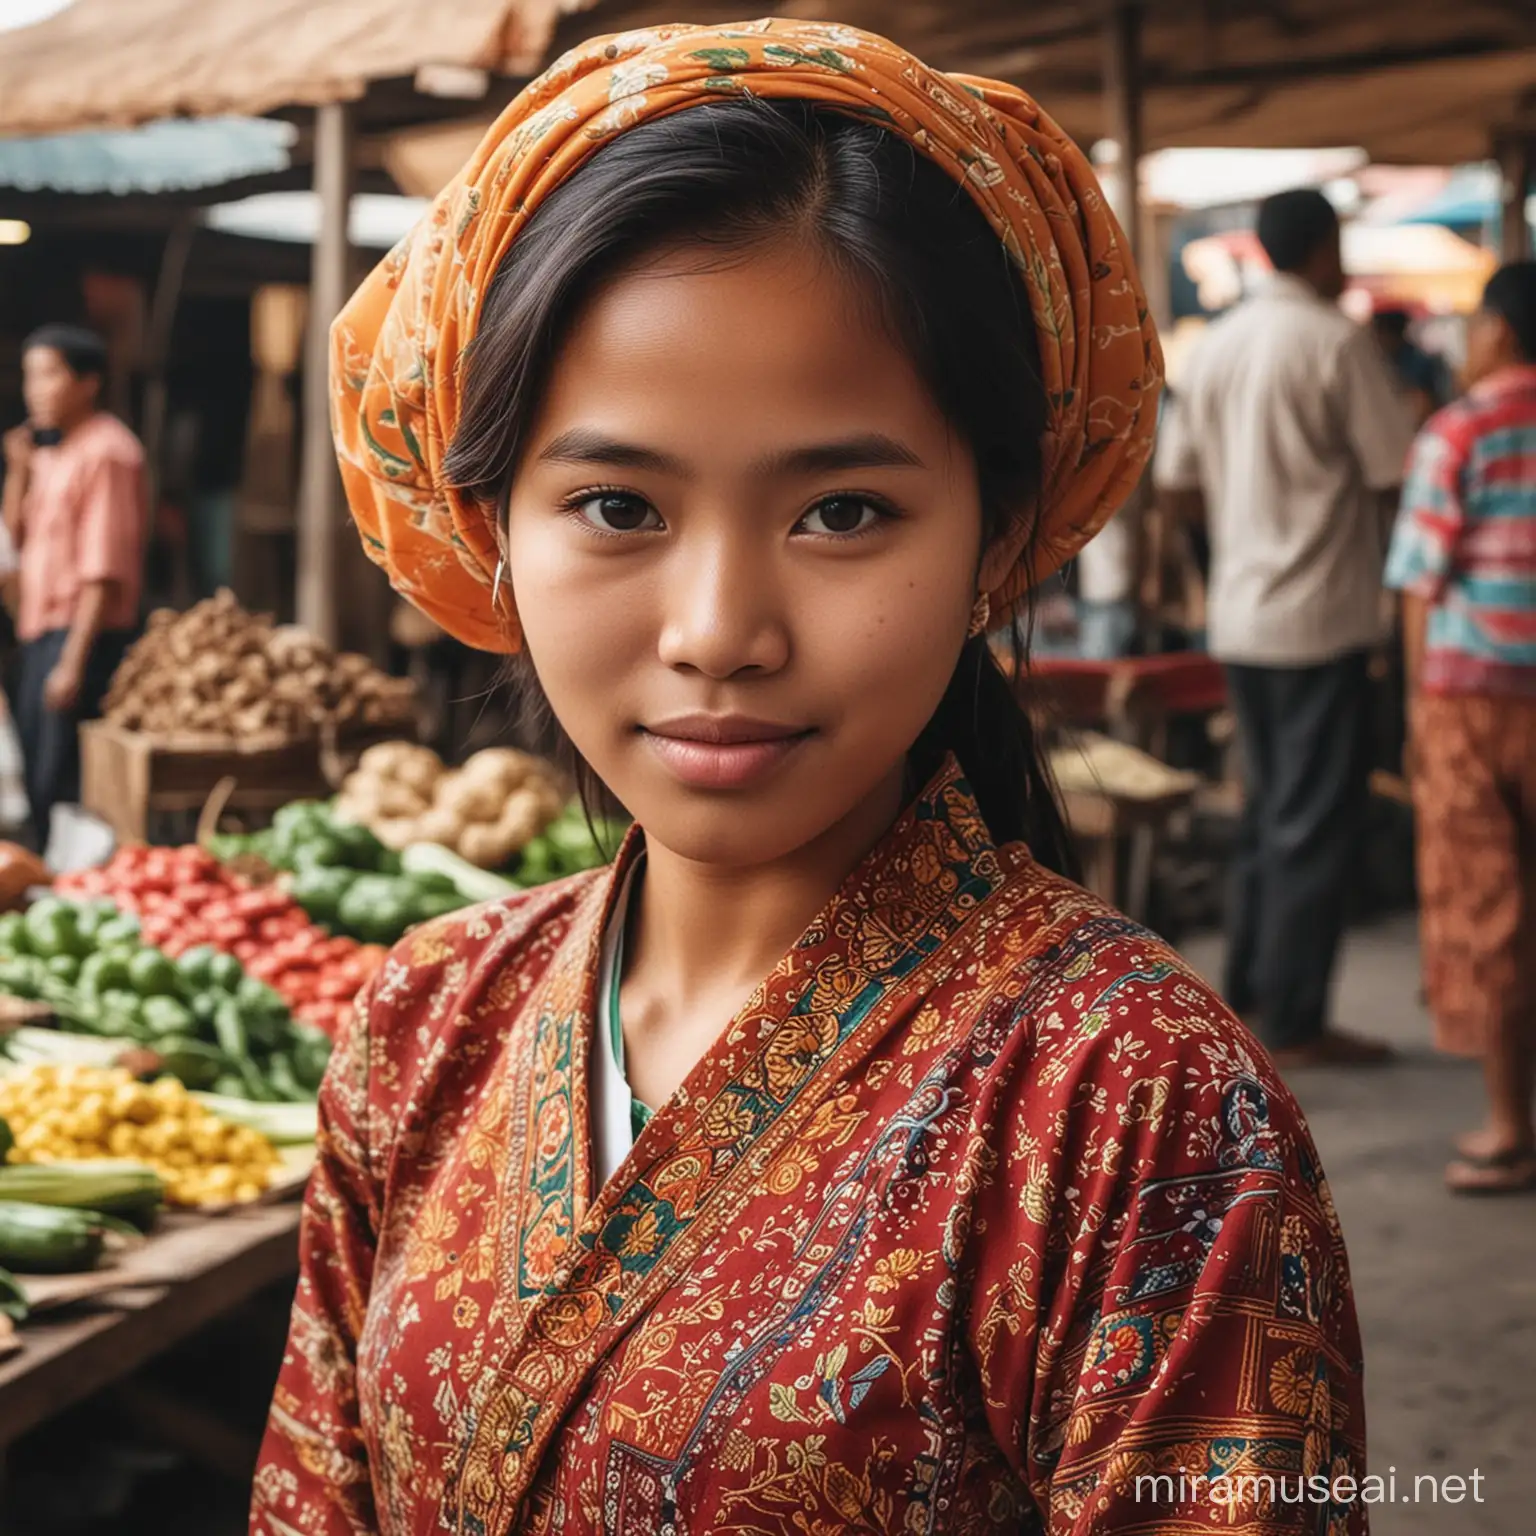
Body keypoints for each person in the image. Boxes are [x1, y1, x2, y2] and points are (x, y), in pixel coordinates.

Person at [252, 26, 1365, 1535]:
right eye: (618, 505)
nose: (720, 633)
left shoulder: (1139, 1108)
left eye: (843, 510)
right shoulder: (425, 1025)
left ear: (996, 535)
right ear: (490, 528)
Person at [1155, 188, 1414, 1067]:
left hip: (1244, 614)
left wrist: (1229, 546)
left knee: (1270, 812)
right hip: (1320, 620)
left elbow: (1179, 482)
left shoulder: (1220, 344)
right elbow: (1392, 476)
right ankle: (1293, 1017)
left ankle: (1254, 999)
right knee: (1310, 821)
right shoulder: (1334, 340)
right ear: (1321, 248)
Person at [1385, 261, 1536, 1195]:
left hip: (1469, 700)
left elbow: (1419, 582)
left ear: (1502, 332)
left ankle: (1509, 1126)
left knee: (1485, 909)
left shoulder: (1464, 426)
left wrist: (1413, 705)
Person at [1, 325, 145, 854]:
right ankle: (46, 877)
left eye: (48, 375)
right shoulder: (51, 454)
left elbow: (102, 569)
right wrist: (19, 473)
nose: (34, 389)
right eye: (29, 376)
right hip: (41, 633)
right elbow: (10, 544)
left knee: (65, 781)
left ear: (87, 382)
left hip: (81, 637)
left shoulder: (108, 453)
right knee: (39, 775)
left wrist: (72, 662)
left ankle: (72, 887)